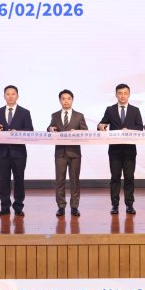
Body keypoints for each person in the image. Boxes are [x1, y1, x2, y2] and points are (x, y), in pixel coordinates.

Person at [97, 83, 145, 214]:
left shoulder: (135, 110)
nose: (123, 96)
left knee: (129, 178)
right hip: (115, 151)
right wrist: (100, 126)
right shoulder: (110, 109)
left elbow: (140, 127)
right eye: (120, 93)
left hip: (130, 150)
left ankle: (129, 205)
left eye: (125, 93)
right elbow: (102, 124)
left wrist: (128, 130)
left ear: (129, 94)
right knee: (115, 178)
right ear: (116, 95)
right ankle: (115, 205)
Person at [0, 85, 34, 217]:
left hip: (19, 153)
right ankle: (4, 207)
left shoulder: (24, 112)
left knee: (19, 180)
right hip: (2, 152)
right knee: (4, 181)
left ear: (17, 96)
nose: (10, 96)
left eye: (13, 94)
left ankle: (18, 207)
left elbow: (30, 129)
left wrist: (18, 132)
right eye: (8, 94)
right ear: (4, 96)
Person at [48, 89, 88, 217]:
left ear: (72, 100)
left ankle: (74, 207)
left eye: (68, 98)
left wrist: (77, 132)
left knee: (74, 181)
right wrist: (50, 128)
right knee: (59, 181)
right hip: (60, 153)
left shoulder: (79, 116)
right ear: (60, 100)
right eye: (63, 99)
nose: (66, 101)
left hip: (75, 153)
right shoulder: (55, 115)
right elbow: (49, 128)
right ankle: (61, 206)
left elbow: (85, 131)